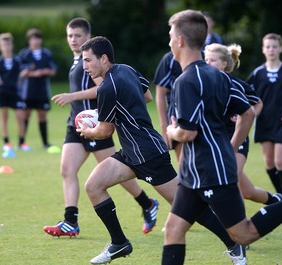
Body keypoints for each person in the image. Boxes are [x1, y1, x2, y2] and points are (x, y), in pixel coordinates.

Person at [162, 10, 282, 265]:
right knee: (173, 229)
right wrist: (231, 147)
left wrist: (172, 132)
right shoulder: (218, 75)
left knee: (243, 233)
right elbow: (248, 113)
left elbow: (187, 132)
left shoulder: (186, 80)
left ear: (181, 40)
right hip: (194, 172)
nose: (169, 41)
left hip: (209, 171)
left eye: (171, 35)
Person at [78, 36, 247, 264]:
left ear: (104, 58)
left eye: (88, 60)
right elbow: (146, 95)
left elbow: (104, 131)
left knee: (190, 208)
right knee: (93, 186)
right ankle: (119, 243)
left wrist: (88, 131)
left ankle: (235, 244)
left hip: (149, 155)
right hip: (131, 153)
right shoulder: (126, 69)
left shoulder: (108, 87)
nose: (84, 66)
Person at [44, 18, 159, 237]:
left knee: (117, 175)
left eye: (78, 35)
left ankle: (147, 203)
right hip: (75, 124)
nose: (73, 40)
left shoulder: (92, 62)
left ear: (88, 37)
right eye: (69, 35)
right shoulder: (77, 61)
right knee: (67, 170)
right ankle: (71, 221)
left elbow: (103, 89)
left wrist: (72, 96)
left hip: (97, 123)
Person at [204, 42, 282, 227]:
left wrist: (245, 116)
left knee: (230, 181)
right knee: (248, 191)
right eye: (206, 59)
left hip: (237, 137)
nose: (208, 63)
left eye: (213, 60)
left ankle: (240, 230)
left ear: (225, 64)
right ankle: (275, 201)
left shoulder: (235, 84)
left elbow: (257, 103)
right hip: (217, 141)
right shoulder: (203, 83)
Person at [246, 33, 282, 196]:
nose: (271, 49)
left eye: (274, 46)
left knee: (279, 161)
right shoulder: (257, 73)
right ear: (263, 50)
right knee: (269, 162)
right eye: (268, 46)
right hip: (263, 122)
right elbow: (246, 95)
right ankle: (280, 194)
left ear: (280, 48)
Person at [18, 28, 57, 151]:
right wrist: (33, 73)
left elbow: (53, 70)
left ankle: (45, 143)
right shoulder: (24, 54)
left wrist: (45, 71)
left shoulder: (46, 54)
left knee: (42, 116)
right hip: (27, 92)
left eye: (37, 38)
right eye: (32, 38)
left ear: (41, 39)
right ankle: (21, 142)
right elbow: (19, 72)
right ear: (29, 40)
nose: (35, 41)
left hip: (42, 91)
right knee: (25, 115)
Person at [154, 51, 183, 162]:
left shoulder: (206, 55)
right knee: (186, 168)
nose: (170, 43)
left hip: (204, 122)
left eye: (172, 37)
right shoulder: (170, 59)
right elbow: (160, 94)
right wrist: (165, 128)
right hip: (177, 120)